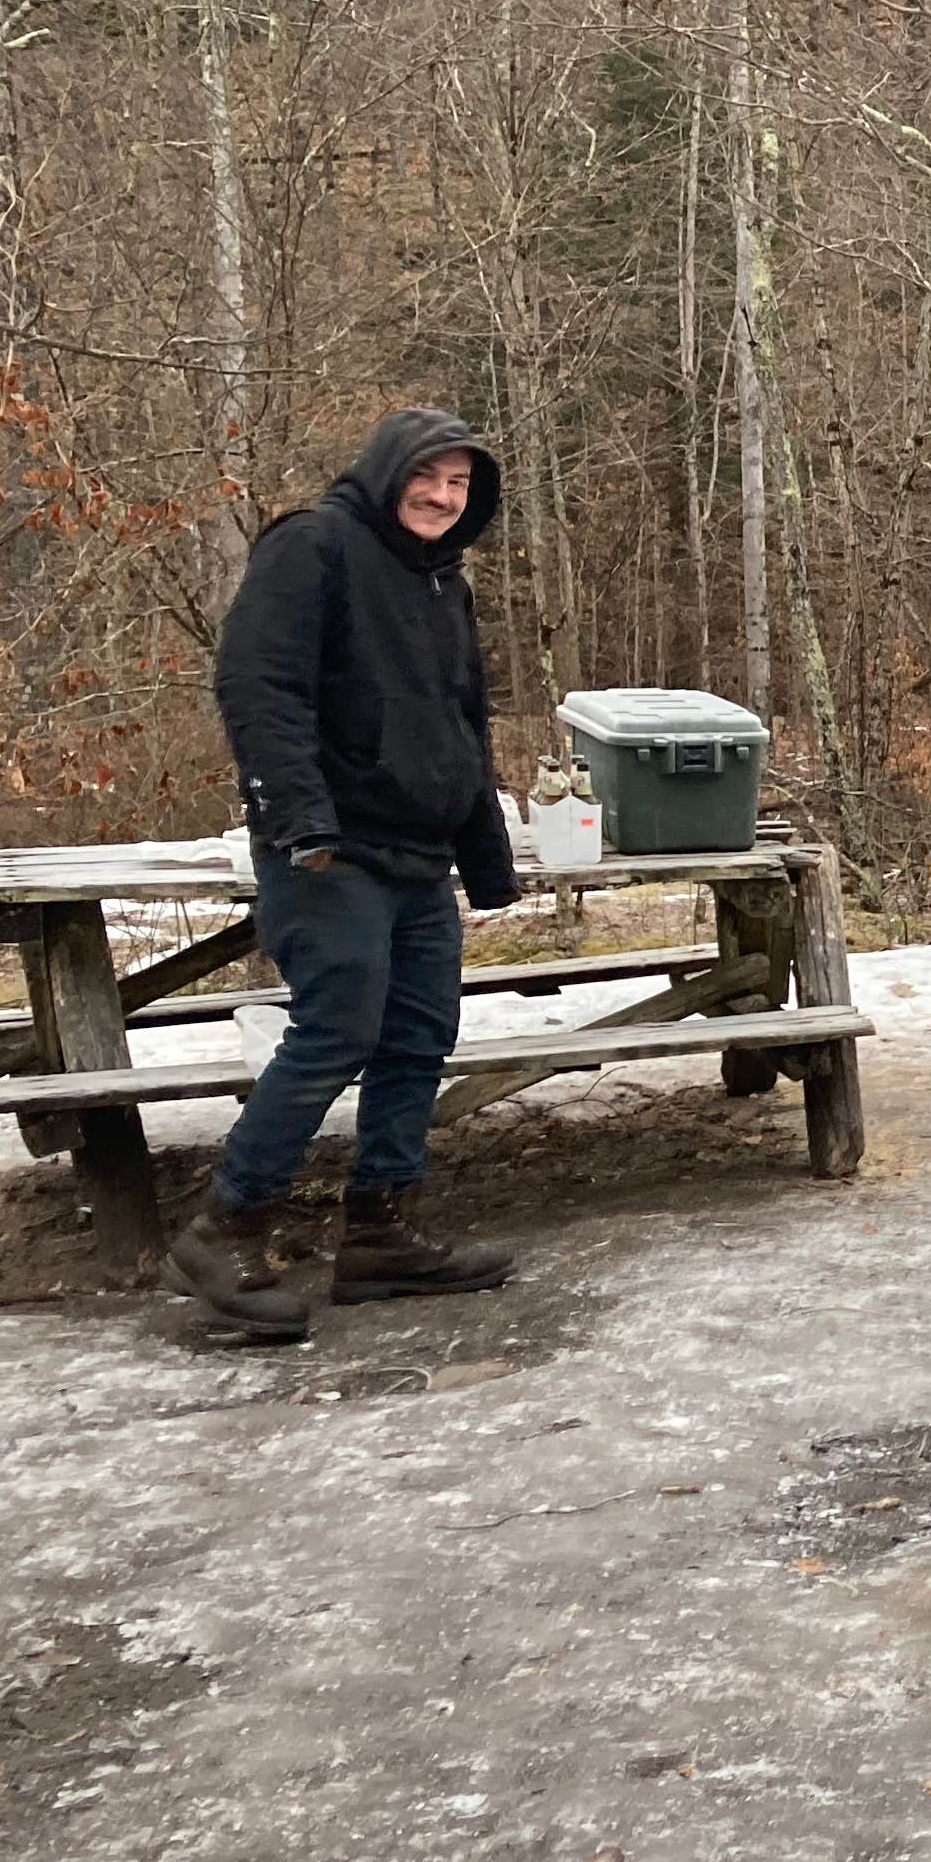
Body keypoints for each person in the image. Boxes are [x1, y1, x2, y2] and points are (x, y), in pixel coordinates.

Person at [164, 409, 522, 1337]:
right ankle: (225, 1225)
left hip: (419, 855)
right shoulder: (313, 547)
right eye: (427, 476)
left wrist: (484, 853)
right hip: (329, 850)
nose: (442, 496)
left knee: (418, 1036)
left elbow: (462, 722)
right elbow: (257, 684)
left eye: (459, 484)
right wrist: (299, 819)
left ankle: (382, 1233)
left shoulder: (442, 581)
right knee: (337, 1030)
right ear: (387, 471)